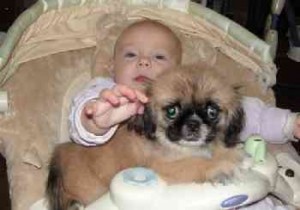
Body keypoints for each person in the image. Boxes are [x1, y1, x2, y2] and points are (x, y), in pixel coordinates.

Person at [69, 19, 299, 210]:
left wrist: (289, 123)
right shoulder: (105, 92)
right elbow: (83, 113)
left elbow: (250, 113)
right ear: (111, 65)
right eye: (130, 55)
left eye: (159, 57)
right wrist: (96, 120)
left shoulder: (193, 86)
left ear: (177, 68)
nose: (144, 62)